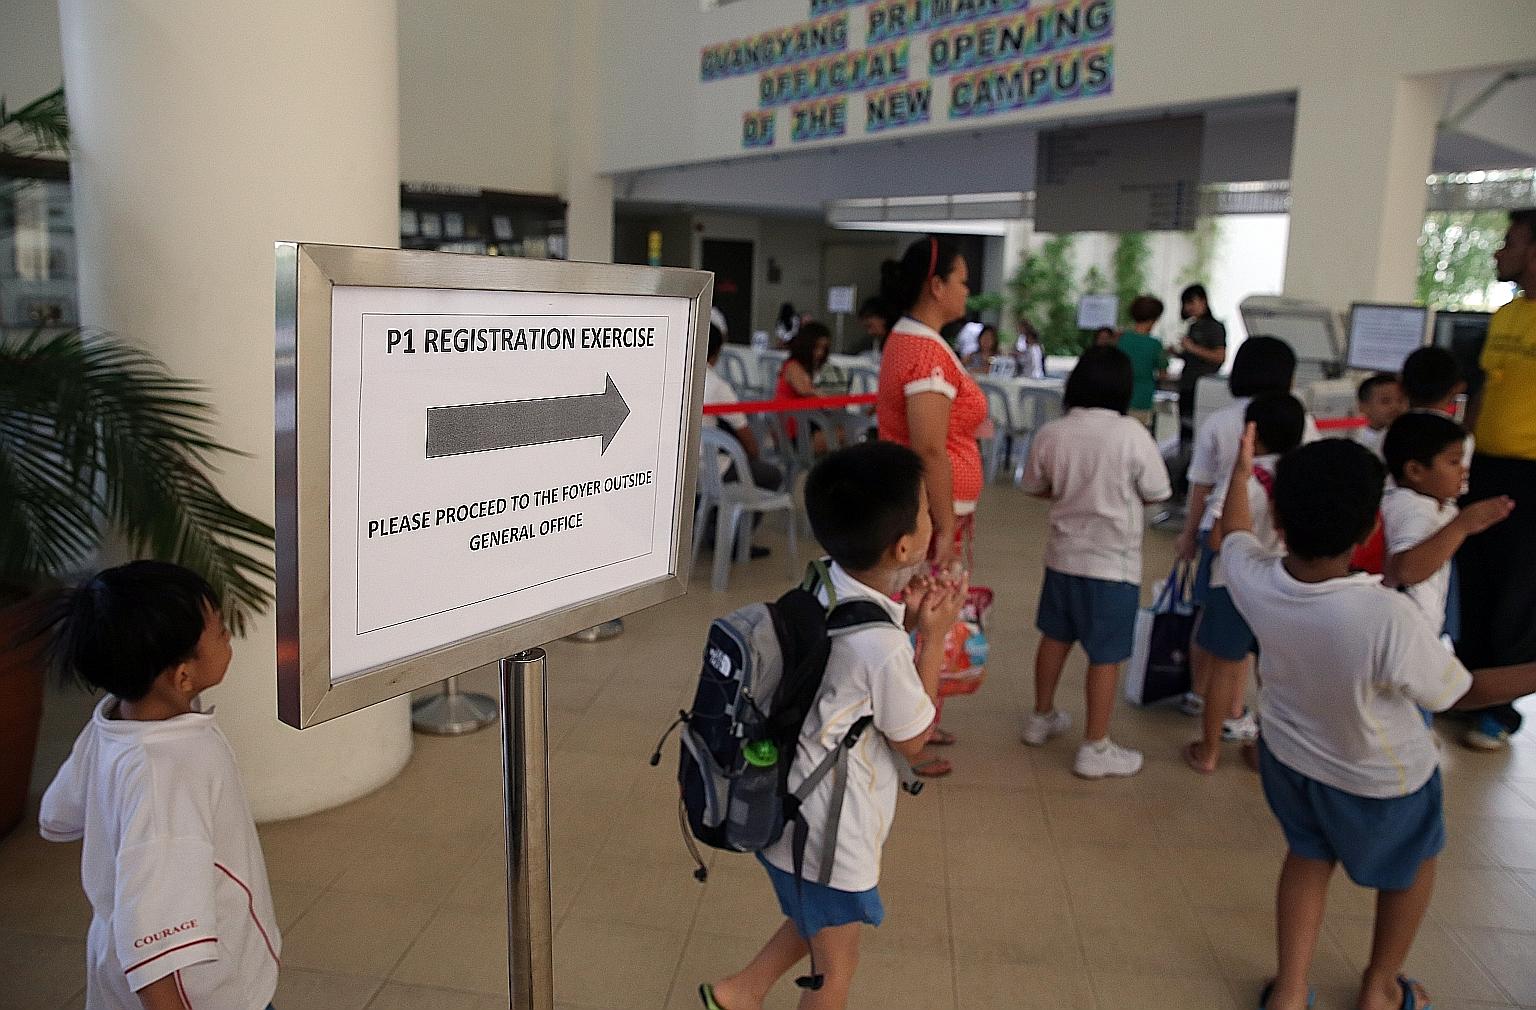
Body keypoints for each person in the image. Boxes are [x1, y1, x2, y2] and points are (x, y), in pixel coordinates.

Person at [1219, 434, 1536, 1010]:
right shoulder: (1385, 614)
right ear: (1370, 530)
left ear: (1281, 521)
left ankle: (1289, 991)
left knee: (1308, 857)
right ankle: (1381, 985)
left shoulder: (1251, 576)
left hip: (1289, 761)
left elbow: (1235, 533)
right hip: (1380, 779)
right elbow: (1459, 693)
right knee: (1411, 865)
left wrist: (1241, 475)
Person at [698, 442, 968, 1010]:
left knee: (815, 921)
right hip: (828, 832)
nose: (931, 518)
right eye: (925, 511)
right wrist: (935, 638)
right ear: (903, 546)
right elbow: (913, 737)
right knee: (835, 969)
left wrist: (909, 620)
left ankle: (738, 992)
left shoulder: (821, 581)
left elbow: (848, 665)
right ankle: (737, 992)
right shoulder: (884, 647)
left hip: (792, 806)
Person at [38, 561, 281, 1010]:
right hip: (203, 995)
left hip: (115, 970)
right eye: (221, 632)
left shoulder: (112, 721)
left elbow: (58, 814)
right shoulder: (170, 774)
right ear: (182, 676)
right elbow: (152, 951)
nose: (229, 637)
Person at [1020, 346, 1172, 778]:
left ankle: (1040, 717)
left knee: (1054, 636)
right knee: (1105, 655)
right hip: (1113, 565)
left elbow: (1034, 485)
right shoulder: (1131, 434)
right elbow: (1158, 491)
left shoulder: (1053, 431)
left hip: (1062, 557)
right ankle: (1095, 746)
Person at [875, 236, 988, 776]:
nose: (969, 290)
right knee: (920, 615)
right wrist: (943, 525)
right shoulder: (924, 350)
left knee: (919, 613)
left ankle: (919, 715)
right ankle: (906, 738)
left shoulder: (916, 340)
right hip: (926, 511)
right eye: (963, 280)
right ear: (937, 286)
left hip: (926, 507)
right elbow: (927, 445)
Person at [1175, 336, 1313, 726]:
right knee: (1257, 629)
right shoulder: (1299, 417)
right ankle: (1235, 710)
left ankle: (1196, 691)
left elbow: (1199, 484)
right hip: (1274, 539)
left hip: (1217, 534)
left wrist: (1188, 535)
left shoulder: (1219, 420)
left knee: (1214, 615)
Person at [1183, 393, 1305, 774]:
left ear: (1251, 431)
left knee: (1224, 668)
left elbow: (1217, 538)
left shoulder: (1243, 479)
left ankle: (1209, 750)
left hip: (1233, 586)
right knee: (1269, 675)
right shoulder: (1300, 479)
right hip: (1282, 587)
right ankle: (1263, 750)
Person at [1460, 207, 1536, 751]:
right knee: (1474, 578)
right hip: (1484, 466)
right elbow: (1484, 391)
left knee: (1517, 588)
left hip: (1531, 476)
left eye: (1509, 242)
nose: (1498, 251)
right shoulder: (1508, 314)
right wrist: (1460, 449)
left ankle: (1498, 710)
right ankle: (1467, 690)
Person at [1382, 412, 1512, 638]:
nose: (1463, 470)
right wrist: (1461, 526)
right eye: (1453, 462)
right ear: (1415, 471)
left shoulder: (1433, 504)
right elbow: (1406, 570)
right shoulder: (1412, 507)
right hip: (1408, 635)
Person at [704, 323, 782, 559]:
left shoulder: (670, 375)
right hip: (708, 468)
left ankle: (712, 529)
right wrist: (752, 457)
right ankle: (736, 541)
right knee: (769, 475)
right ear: (717, 354)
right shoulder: (717, 385)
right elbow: (745, 433)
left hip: (676, 466)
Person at [1175, 283, 1228, 451]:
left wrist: (1192, 348)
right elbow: (1193, 357)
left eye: (1192, 302)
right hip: (1187, 385)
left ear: (1203, 301)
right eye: (1186, 304)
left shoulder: (1215, 327)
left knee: (1198, 432)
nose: (1188, 307)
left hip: (1203, 387)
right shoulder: (1193, 326)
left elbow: (1219, 357)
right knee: (1185, 431)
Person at [777, 321, 834, 454]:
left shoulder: (799, 367)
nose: (819, 353)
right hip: (796, 435)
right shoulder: (793, 367)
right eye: (816, 348)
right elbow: (804, 390)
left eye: (823, 349)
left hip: (800, 429)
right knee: (849, 433)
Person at [1117, 295, 1171, 429]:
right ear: (1154, 319)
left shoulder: (1121, 339)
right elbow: (1163, 373)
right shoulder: (1155, 344)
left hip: (1120, 396)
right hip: (1143, 398)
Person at [1353, 373, 1407, 460]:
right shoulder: (1359, 447)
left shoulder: (1409, 437)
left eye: (1400, 400)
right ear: (1363, 407)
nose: (1395, 406)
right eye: (1385, 401)